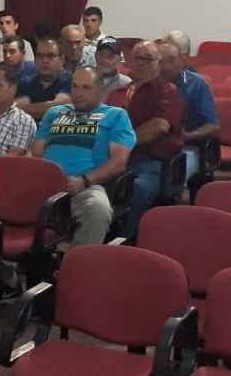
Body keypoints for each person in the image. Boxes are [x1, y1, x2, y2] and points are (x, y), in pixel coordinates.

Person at [31, 68, 136, 247]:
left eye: (86, 88)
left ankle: (80, 260)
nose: (78, 93)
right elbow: (37, 151)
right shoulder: (54, 113)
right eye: (75, 87)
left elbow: (118, 163)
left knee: (98, 208)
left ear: (101, 91)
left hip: (85, 187)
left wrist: (85, 180)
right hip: (46, 184)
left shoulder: (116, 116)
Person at [122, 42, 186, 241]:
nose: (140, 63)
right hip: (117, 157)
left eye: (147, 59)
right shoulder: (121, 90)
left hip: (152, 162)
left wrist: (123, 142)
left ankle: (126, 239)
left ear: (158, 64)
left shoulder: (167, 91)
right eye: (137, 58)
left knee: (138, 188)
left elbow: (159, 126)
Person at [157, 39, 221, 181]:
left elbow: (214, 126)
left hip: (187, 146)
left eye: (171, 60)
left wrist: (187, 136)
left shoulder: (197, 84)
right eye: (160, 61)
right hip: (152, 147)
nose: (165, 66)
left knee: (174, 177)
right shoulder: (151, 83)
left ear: (181, 61)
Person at [16, 38, 73, 121]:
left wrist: (21, 108)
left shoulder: (70, 80)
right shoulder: (26, 82)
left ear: (62, 59)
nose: (45, 61)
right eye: (40, 56)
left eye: (50, 56)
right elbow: (18, 111)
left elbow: (58, 109)